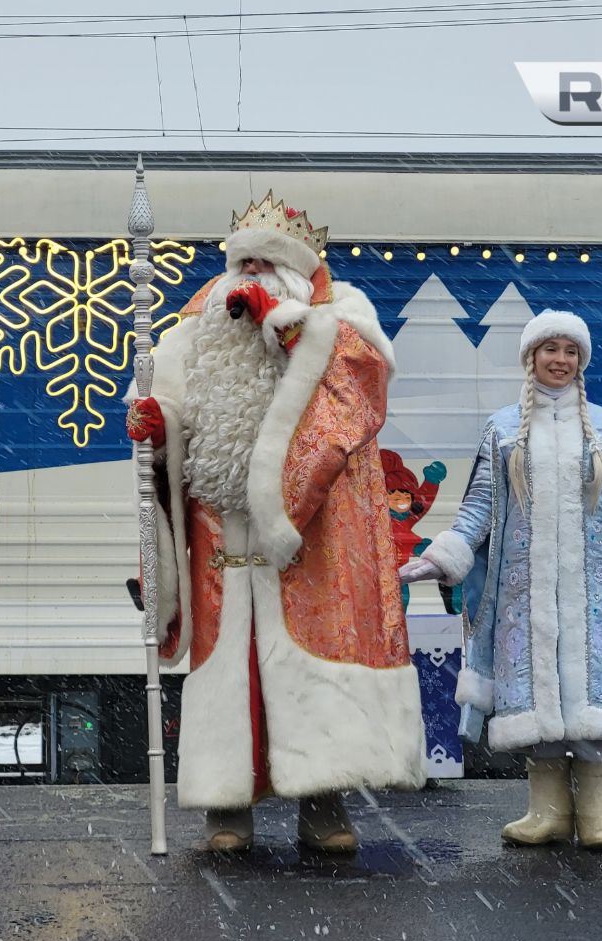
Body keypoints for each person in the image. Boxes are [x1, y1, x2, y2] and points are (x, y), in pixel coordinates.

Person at [126, 193, 425, 852]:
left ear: (296, 270)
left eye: (269, 262)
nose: (254, 273)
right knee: (228, 668)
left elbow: (359, 386)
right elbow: (167, 407)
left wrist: (288, 328)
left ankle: (324, 799)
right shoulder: (192, 326)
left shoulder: (340, 316)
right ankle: (226, 805)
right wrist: (156, 427)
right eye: (246, 261)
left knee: (308, 664)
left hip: (308, 530)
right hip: (217, 530)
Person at [400, 310, 602, 851]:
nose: (561, 359)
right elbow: (480, 506)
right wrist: (444, 555)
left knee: (592, 692)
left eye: (570, 351)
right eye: (550, 349)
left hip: (597, 592)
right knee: (535, 693)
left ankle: (595, 815)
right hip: (523, 594)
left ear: (582, 360)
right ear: (532, 358)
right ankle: (547, 812)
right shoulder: (502, 428)